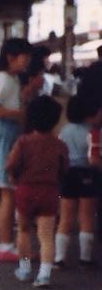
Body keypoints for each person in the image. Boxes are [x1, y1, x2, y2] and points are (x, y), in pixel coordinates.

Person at [5, 95, 69, 287]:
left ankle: (24, 269)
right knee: (46, 235)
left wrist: (14, 177)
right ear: (55, 119)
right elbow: (64, 168)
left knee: (23, 230)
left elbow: (11, 165)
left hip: (25, 189)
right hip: (49, 190)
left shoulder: (23, 142)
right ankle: (44, 275)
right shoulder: (59, 145)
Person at [0, 37, 34, 262]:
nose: (27, 61)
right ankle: (5, 245)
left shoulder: (7, 78)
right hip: (3, 134)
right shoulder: (3, 79)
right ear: (11, 57)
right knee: (6, 190)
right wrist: (19, 114)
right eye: (25, 57)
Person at [56, 94, 99, 267]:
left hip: (67, 174)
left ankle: (59, 258)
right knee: (86, 217)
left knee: (65, 217)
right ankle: (85, 258)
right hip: (87, 174)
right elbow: (93, 159)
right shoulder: (92, 132)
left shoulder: (64, 130)